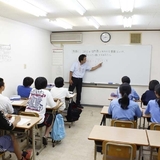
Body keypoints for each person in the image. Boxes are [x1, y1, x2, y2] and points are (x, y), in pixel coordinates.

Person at [25, 77, 61, 145]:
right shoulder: (47, 92)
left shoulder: (32, 90)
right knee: (51, 115)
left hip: (27, 118)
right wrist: (58, 101)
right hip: (38, 121)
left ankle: (30, 136)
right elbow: (54, 106)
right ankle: (45, 136)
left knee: (32, 116)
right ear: (45, 85)